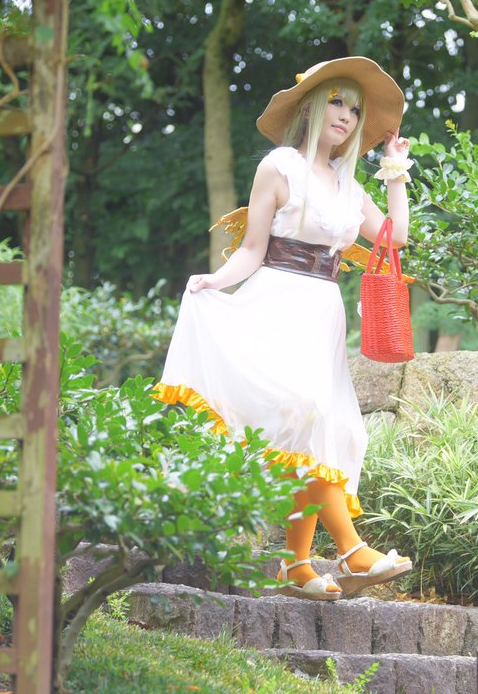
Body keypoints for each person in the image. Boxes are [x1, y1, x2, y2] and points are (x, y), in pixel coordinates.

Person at [155, 56, 415, 601]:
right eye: (336, 102)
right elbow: (253, 249)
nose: (345, 115)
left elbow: (394, 238)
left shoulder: (348, 186)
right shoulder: (280, 167)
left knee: (321, 427)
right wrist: (214, 282)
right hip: (275, 302)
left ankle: (297, 566)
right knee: (305, 413)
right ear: (312, 108)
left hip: (323, 312)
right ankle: (351, 549)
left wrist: (395, 169)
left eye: (354, 109)